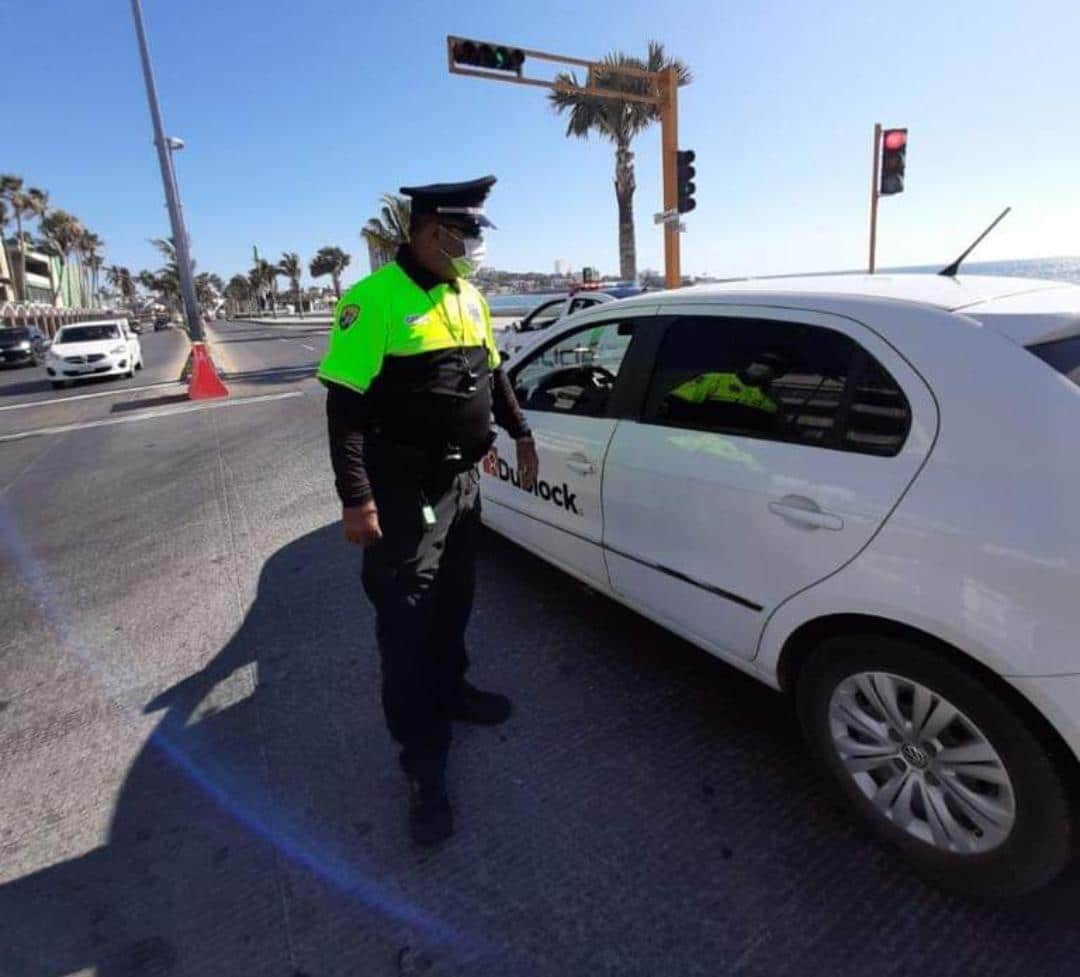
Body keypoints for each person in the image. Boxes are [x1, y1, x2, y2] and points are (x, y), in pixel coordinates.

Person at [318, 176, 539, 845]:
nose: (471, 246)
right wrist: (355, 498)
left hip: (464, 483)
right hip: (402, 490)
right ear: (426, 232)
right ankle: (422, 761)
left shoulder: (467, 295)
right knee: (406, 623)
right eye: (463, 233)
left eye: (475, 234)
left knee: (455, 601)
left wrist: (520, 431)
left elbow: (492, 373)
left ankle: (454, 690)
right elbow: (345, 409)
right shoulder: (372, 300)